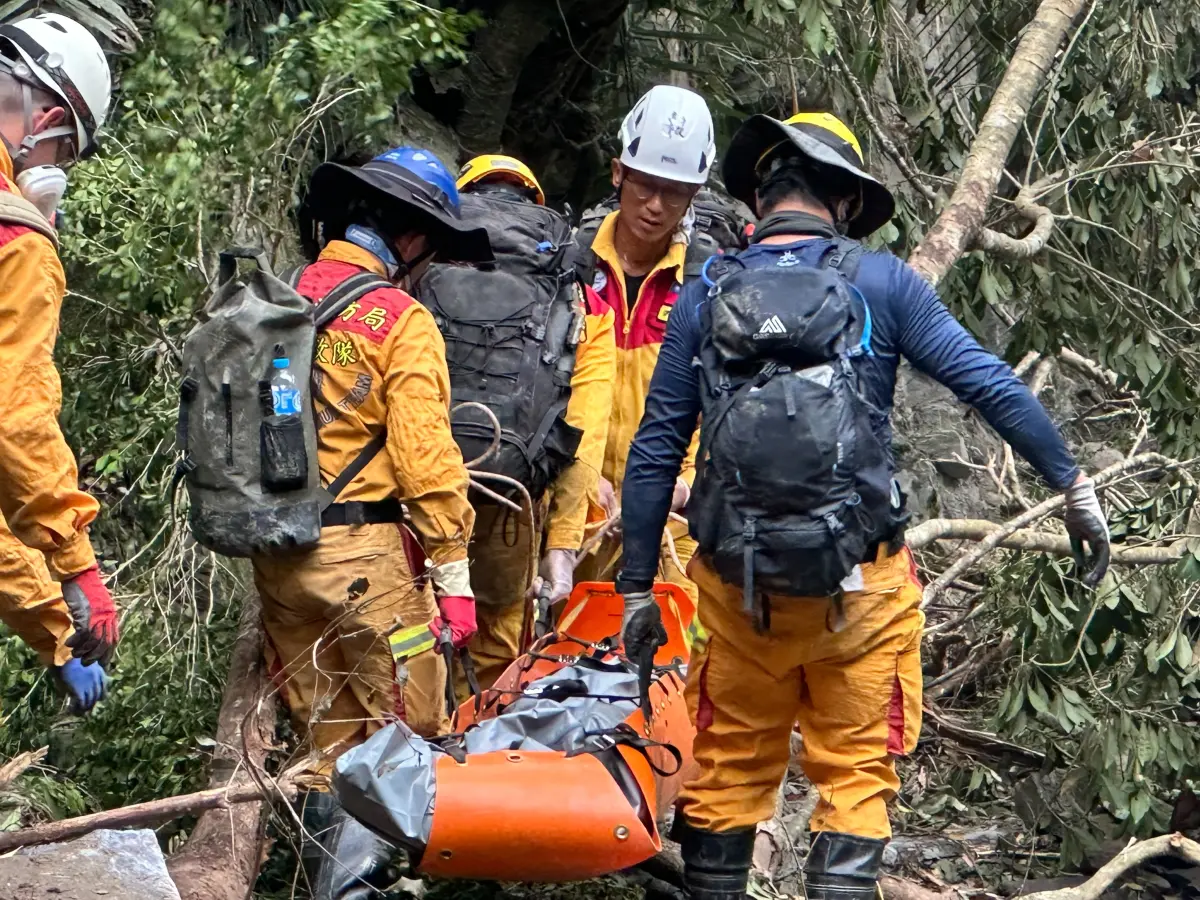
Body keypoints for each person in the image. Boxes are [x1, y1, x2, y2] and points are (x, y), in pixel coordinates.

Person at [616, 112, 1111, 900]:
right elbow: (987, 382)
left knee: (729, 772)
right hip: (861, 592)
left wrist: (637, 586)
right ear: (844, 201)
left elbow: (654, 450)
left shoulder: (707, 289)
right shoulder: (880, 281)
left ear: (761, 198)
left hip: (739, 593)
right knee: (852, 776)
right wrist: (1072, 486)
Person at [254, 146, 492, 898]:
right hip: (366, 563)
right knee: (403, 730)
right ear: (413, 238)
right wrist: (454, 580)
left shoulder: (272, 297)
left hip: (276, 558)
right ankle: (355, 891)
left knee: (328, 741)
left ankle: (326, 881)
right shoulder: (400, 321)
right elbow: (428, 465)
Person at [448, 154, 616, 694]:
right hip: (513, 494)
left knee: (417, 635)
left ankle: (414, 752)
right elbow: (582, 435)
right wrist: (561, 548)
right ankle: (480, 746)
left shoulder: (420, 270)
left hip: (425, 492)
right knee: (497, 635)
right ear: (538, 210)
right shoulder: (578, 299)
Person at [0, 14, 117, 710]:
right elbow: (14, 418)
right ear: (45, 117)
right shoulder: (17, 240)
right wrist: (76, 572)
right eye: (64, 155)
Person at [572, 84, 717, 627]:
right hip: (579, 510)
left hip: (671, 525)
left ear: (695, 193)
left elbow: (723, 404)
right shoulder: (572, 267)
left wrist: (681, 488)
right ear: (618, 174)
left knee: (675, 670)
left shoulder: (710, 284)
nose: (656, 206)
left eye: (675, 193)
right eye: (645, 186)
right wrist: (581, 476)